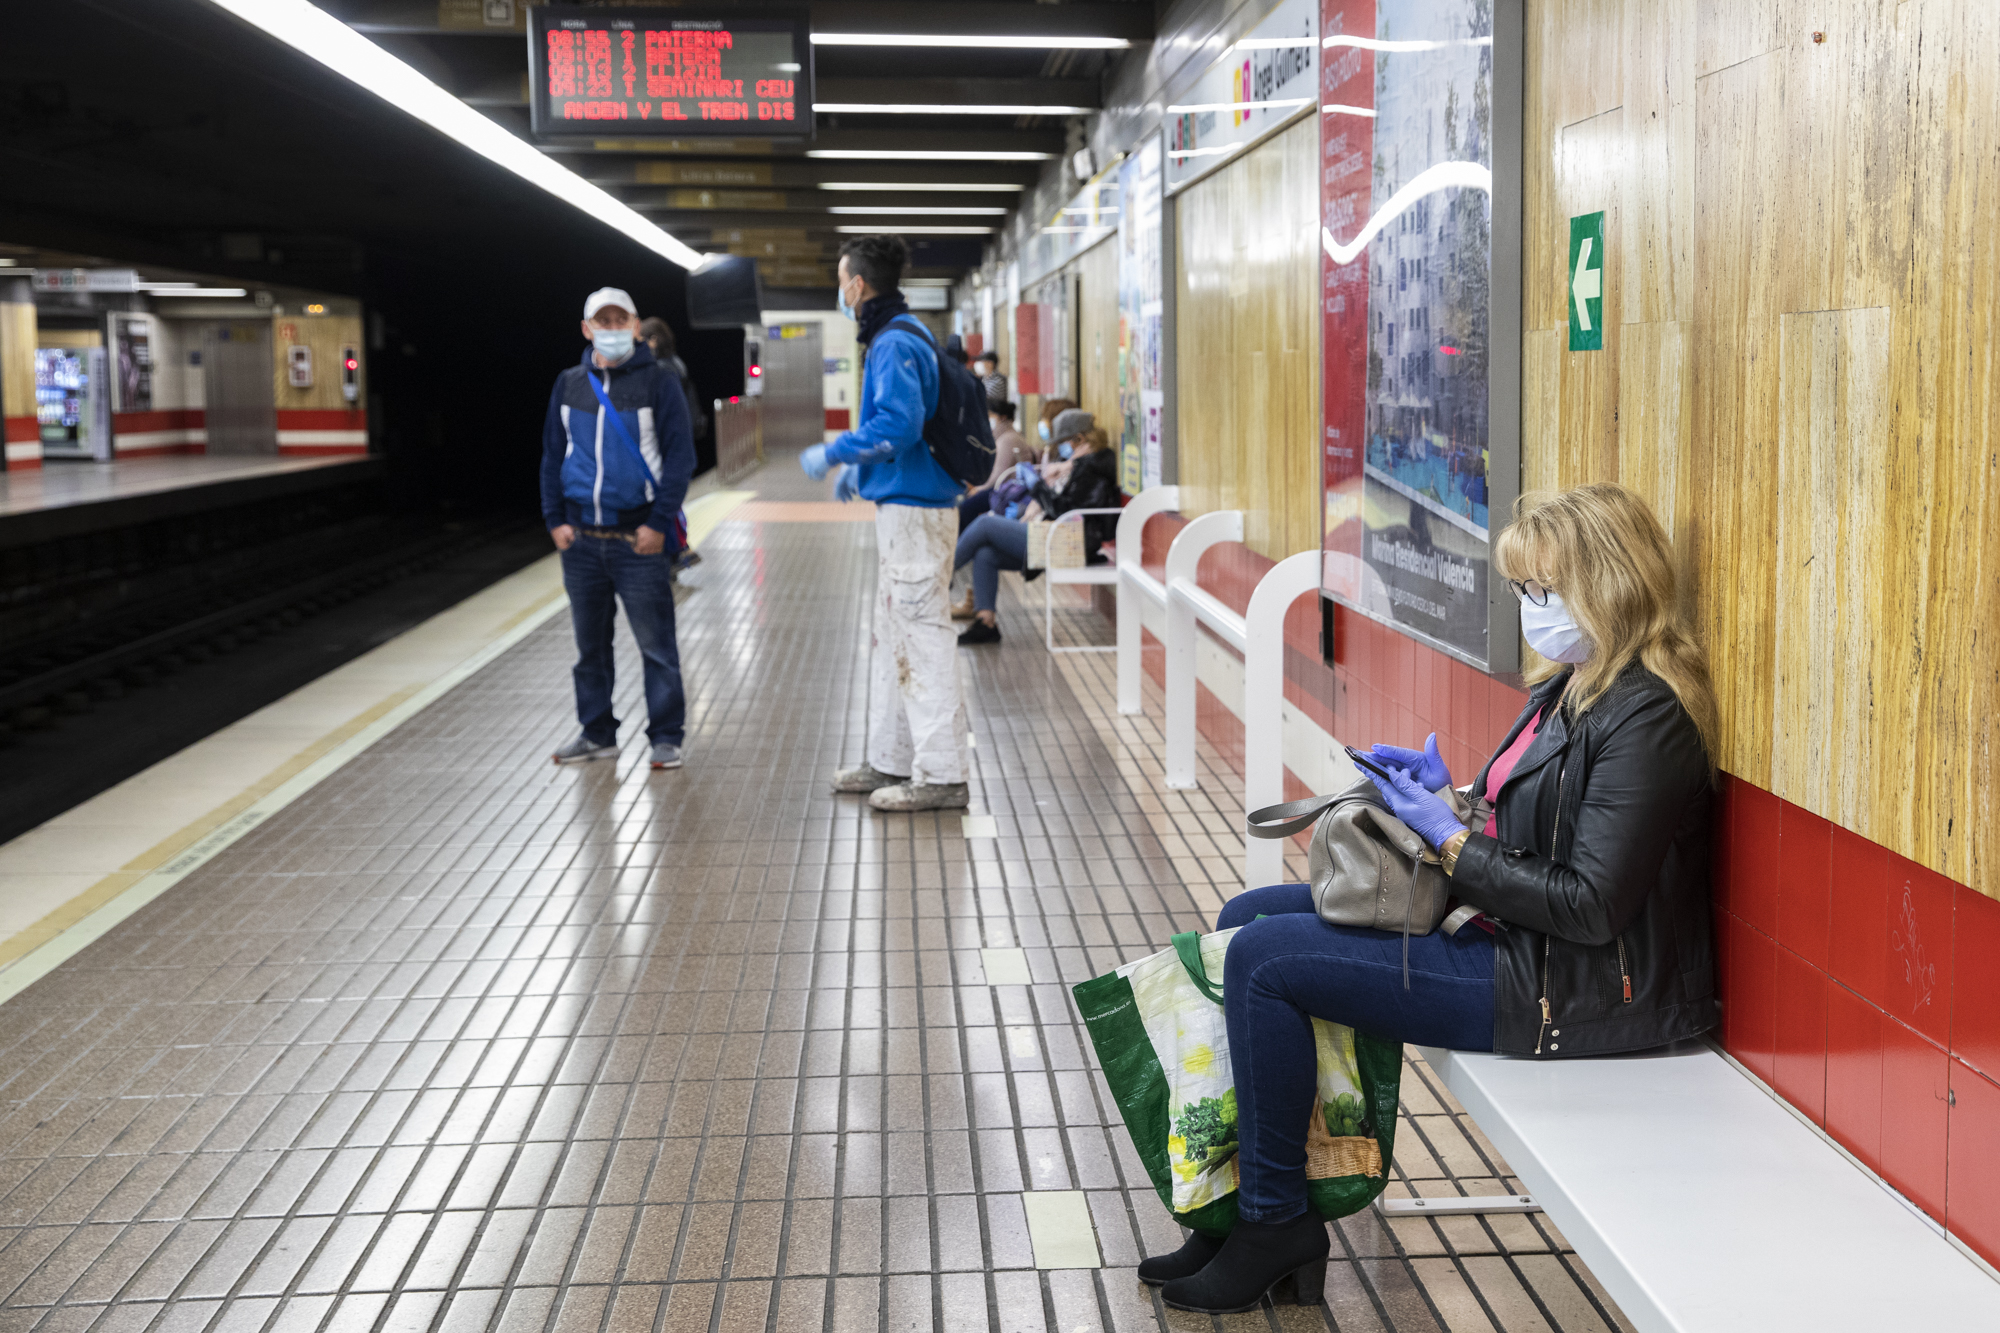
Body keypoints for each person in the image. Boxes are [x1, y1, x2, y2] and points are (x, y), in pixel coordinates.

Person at [1143, 483, 1719, 1314]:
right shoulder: (1574, 684)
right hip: (1516, 941)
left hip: (1568, 989)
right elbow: (1526, 828)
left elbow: (1591, 902)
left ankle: (1277, 1222)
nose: (1531, 607)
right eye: (1524, 589)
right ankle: (1240, 1205)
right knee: (1248, 919)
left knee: (1266, 965)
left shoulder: (1648, 717)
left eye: (1544, 590)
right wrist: (1446, 799)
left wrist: (1449, 839)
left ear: (1610, 584)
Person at [802, 235, 970, 812]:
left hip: (917, 513)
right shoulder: (904, 332)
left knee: (921, 639)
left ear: (857, 284)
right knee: (893, 636)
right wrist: (862, 468)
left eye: (840, 278)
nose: (840, 290)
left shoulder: (894, 341)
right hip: (907, 508)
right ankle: (892, 759)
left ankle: (943, 774)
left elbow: (896, 425)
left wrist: (838, 452)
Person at [541, 287, 697, 772]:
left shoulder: (659, 383)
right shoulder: (569, 384)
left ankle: (666, 737)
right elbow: (552, 455)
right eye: (601, 321)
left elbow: (680, 459)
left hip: (639, 542)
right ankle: (597, 733)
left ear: (635, 326)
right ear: (587, 330)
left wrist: (656, 524)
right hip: (582, 542)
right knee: (590, 647)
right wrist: (555, 521)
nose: (611, 329)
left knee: (656, 646)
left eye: (619, 319)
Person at [953, 411, 1122, 646]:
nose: (1063, 448)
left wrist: (1039, 488)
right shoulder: (1076, 466)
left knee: (985, 524)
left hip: (1070, 543)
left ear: (1081, 440)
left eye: (1065, 442)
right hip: (1058, 536)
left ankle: (943, 573)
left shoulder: (1091, 471)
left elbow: (1066, 510)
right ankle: (986, 622)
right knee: (986, 554)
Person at [638, 316, 706, 577]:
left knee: (665, 502)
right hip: (681, 439)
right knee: (671, 502)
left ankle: (676, 552)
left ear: (653, 341)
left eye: (641, 340)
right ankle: (677, 550)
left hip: (669, 445)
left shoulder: (663, 371)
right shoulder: (676, 363)